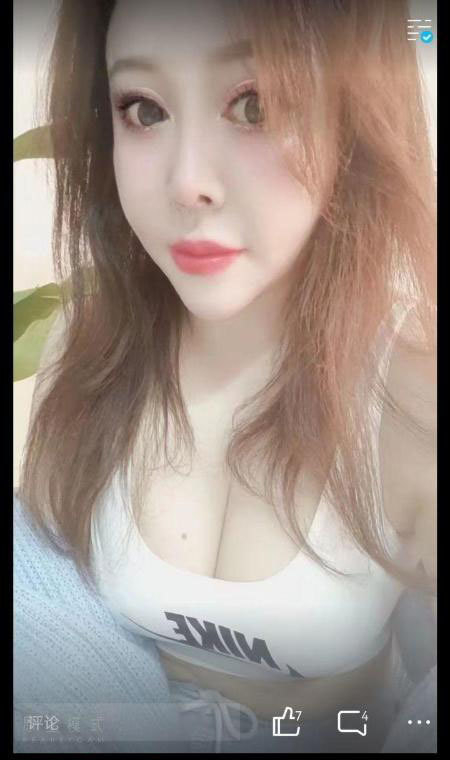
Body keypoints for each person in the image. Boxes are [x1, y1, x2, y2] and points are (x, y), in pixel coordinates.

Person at [14, 0, 436, 753]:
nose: (187, 184)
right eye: (143, 109)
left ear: (354, 116)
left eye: (253, 105)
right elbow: (39, 593)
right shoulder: (92, 344)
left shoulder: (414, 403)